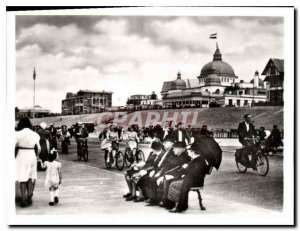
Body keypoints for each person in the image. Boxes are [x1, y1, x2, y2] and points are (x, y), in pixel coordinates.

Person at [166, 140, 212, 213]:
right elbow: (190, 171)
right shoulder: (195, 160)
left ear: (193, 152)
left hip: (196, 181)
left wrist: (186, 168)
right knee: (177, 182)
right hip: (190, 179)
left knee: (175, 184)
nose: (188, 152)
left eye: (190, 151)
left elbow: (195, 173)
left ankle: (179, 206)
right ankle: (179, 205)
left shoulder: (199, 160)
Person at [147, 140, 190, 206]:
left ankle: (165, 201)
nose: (173, 150)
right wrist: (160, 173)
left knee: (166, 181)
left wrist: (164, 176)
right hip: (169, 174)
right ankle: (153, 200)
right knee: (153, 179)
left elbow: (180, 170)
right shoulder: (175, 156)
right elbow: (167, 166)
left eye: (174, 148)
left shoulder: (185, 157)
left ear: (180, 149)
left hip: (177, 176)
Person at [15, 117, 41, 207]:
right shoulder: (35, 134)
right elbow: (39, 148)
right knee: (30, 176)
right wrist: (37, 157)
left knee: (22, 177)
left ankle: (23, 199)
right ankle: (29, 197)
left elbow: (13, 146)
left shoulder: (17, 134)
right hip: (32, 154)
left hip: (21, 155)